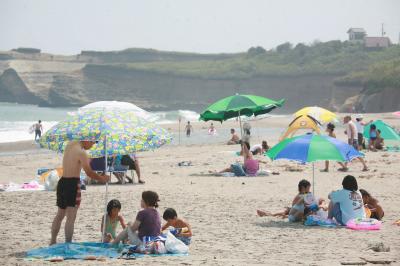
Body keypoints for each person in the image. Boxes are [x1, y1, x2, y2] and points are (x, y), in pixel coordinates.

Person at [50, 140, 110, 245]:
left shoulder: (70, 145)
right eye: (92, 142)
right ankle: (68, 243)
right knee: (71, 217)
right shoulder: (82, 152)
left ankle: (52, 241)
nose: (92, 145)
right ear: (87, 139)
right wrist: (102, 178)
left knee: (60, 214)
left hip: (62, 182)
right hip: (72, 184)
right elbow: (89, 172)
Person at [257, 179, 324, 222]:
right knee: (284, 212)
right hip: (295, 211)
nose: (309, 190)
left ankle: (269, 213)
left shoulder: (303, 195)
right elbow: (299, 206)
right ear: (303, 188)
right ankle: (269, 214)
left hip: (296, 210)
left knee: (285, 212)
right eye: (308, 188)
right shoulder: (300, 196)